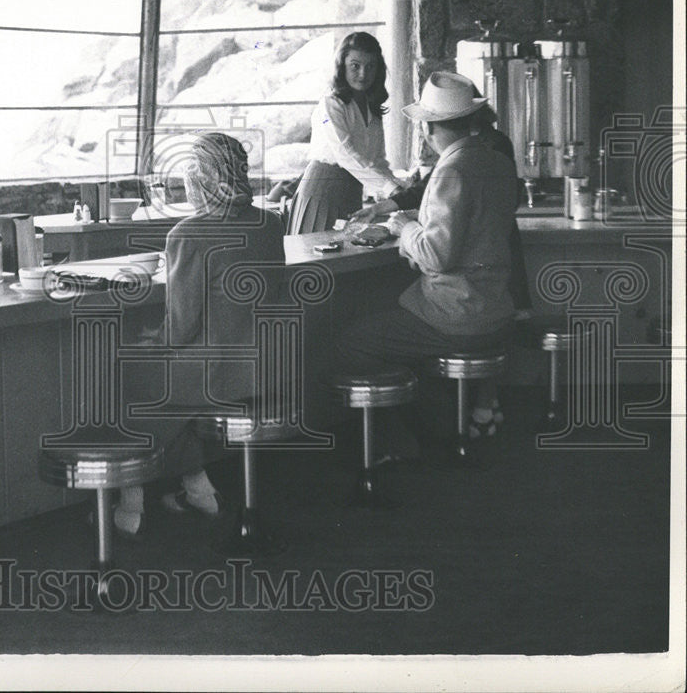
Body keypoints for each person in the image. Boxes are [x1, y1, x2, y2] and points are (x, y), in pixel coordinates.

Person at [334, 72, 518, 458]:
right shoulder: (496, 161)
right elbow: (475, 217)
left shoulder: (451, 168)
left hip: (458, 312)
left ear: (429, 128)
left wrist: (404, 226)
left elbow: (437, 254)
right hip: (496, 307)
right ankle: (446, 424)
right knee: (389, 323)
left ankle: (413, 439)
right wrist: (421, 218)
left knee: (352, 340)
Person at [113, 132, 286, 536]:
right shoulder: (271, 223)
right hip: (270, 364)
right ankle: (198, 488)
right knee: (170, 385)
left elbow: (180, 327)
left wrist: (149, 343)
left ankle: (131, 503)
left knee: (132, 377)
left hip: (219, 371)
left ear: (199, 179)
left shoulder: (187, 235)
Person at [286, 31, 403, 234]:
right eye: (355, 66)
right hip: (322, 190)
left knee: (346, 256)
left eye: (370, 67)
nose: (363, 74)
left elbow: (376, 160)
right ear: (342, 66)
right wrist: (390, 188)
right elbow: (346, 153)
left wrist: (399, 191)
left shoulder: (372, 108)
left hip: (351, 190)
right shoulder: (330, 105)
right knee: (320, 255)